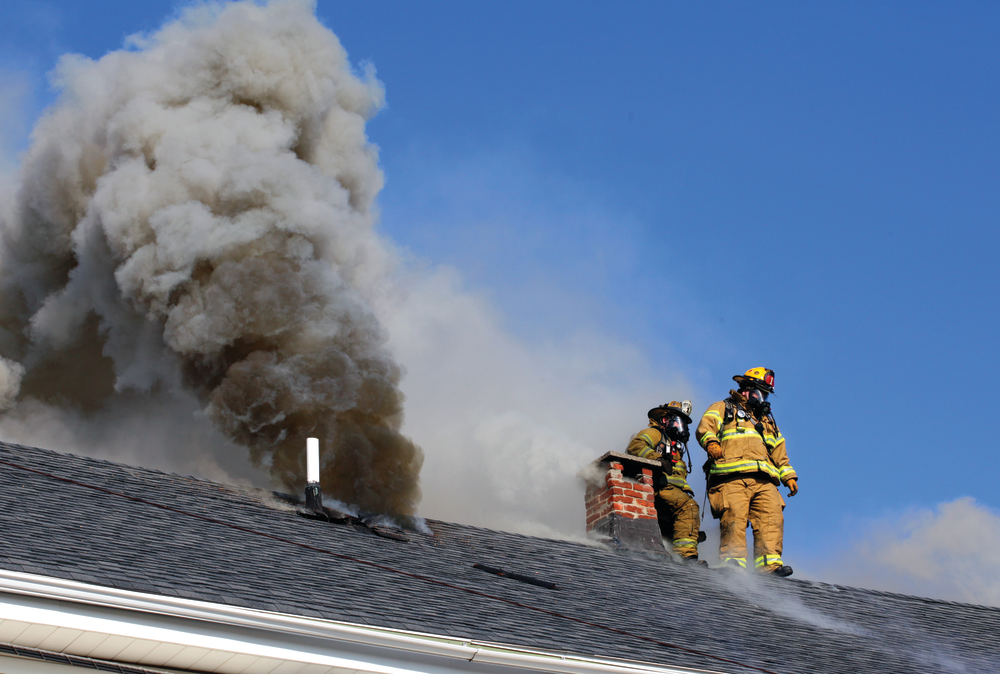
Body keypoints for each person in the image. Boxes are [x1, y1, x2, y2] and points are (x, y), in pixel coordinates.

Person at [696, 368, 798, 576]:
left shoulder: (767, 422)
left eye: (766, 394)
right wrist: (712, 443)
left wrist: (789, 476)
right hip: (732, 479)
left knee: (772, 518)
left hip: (765, 481)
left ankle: (769, 567)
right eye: (761, 392)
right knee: (734, 518)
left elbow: (779, 451)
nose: (764, 398)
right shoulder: (723, 408)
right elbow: (705, 428)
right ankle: (733, 565)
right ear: (747, 390)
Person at [626, 401, 704, 562]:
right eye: (678, 421)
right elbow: (636, 445)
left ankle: (671, 559)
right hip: (659, 488)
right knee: (688, 507)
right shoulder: (655, 433)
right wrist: (657, 459)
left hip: (671, 493)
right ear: (664, 420)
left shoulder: (675, 447)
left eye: (683, 423)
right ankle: (686, 557)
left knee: (670, 531)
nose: (681, 426)